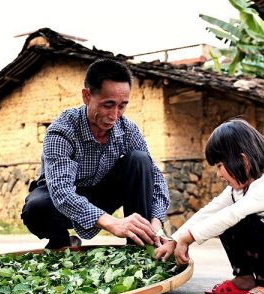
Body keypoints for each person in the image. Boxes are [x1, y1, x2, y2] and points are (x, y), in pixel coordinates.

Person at [155, 118, 264, 294]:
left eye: (219, 166)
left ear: (243, 161)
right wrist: (175, 239)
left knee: (244, 220)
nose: (218, 175)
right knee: (226, 218)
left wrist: (188, 238)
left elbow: (231, 214)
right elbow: (210, 211)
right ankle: (244, 279)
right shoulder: (237, 190)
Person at [21, 58, 170, 249]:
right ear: (86, 96)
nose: (114, 115)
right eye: (108, 105)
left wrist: (156, 223)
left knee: (140, 160)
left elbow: (156, 179)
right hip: (58, 201)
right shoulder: (62, 130)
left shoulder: (127, 129)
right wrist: (113, 223)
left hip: (102, 194)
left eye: (122, 105)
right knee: (36, 208)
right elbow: (62, 191)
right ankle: (61, 241)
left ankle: (141, 243)